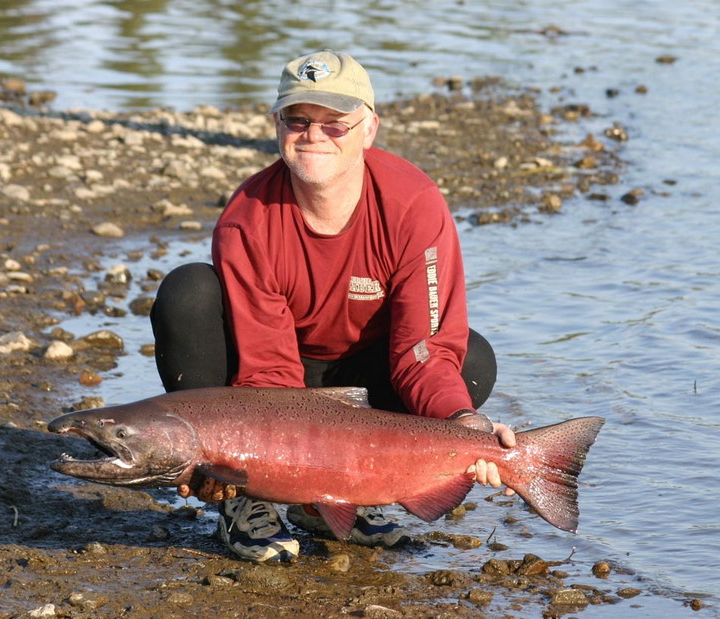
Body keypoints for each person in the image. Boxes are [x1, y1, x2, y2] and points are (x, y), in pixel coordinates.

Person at [150, 50, 516, 562]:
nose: (313, 135)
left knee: (471, 360)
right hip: (271, 379)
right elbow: (269, 372)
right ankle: (243, 503)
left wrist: (463, 425)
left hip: (371, 372)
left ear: (369, 129)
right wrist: (247, 469)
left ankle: (343, 499)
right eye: (297, 120)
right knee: (187, 292)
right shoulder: (247, 219)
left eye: (335, 124)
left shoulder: (415, 205)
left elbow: (424, 351)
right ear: (275, 125)